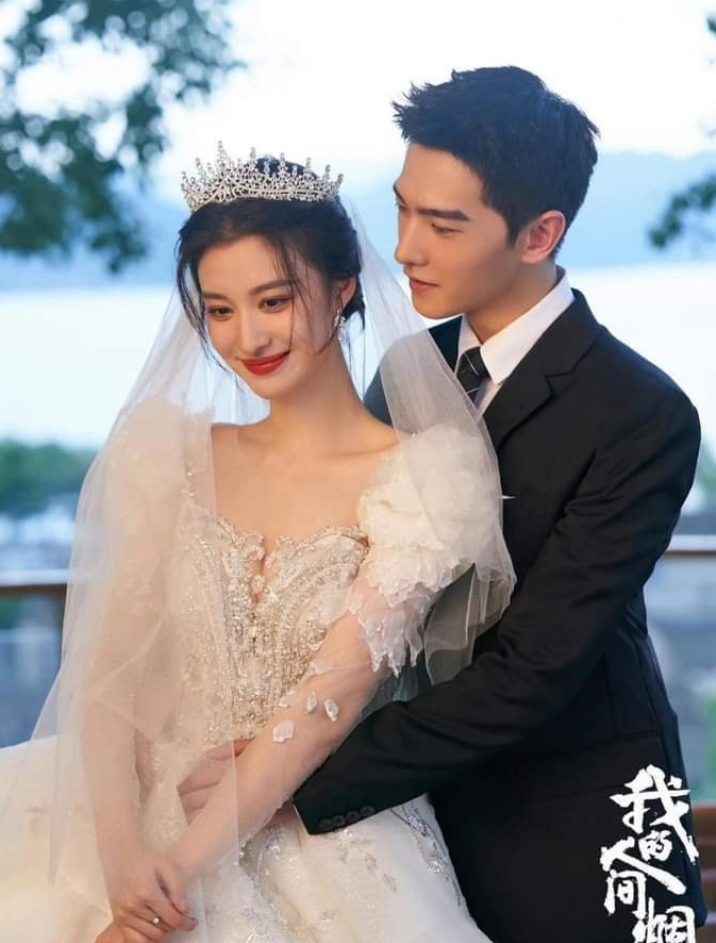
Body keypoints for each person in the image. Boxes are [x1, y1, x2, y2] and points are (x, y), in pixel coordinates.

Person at [0, 147, 515, 942]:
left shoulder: (423, 480)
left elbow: (323, 709)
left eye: (274, 300)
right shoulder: (168, 460)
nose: (248, 336)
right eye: (220, 310)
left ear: (342, 288)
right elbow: (106, 679)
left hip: (320, 834)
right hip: (132, 821)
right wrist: (124, 861)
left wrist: (177, 876)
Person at [282, 67, 706, 942]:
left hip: (582, 826)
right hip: (418, 824)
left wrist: (297, 776)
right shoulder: (407, 369)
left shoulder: (642, 413)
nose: (406, 248)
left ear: (540, 232)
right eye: (401, 210)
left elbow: (534, 669)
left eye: (442, 225)